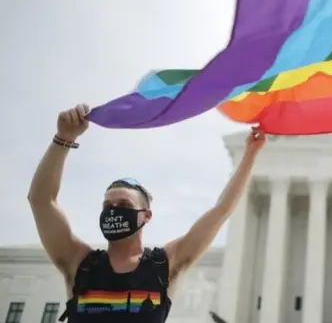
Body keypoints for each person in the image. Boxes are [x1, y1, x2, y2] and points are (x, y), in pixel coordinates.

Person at [27, 104, 265, 323]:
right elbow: (41, 200)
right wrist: (64, 139)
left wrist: (250, 155)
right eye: (107, 206)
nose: (114, 211)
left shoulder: (164, 265)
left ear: (146, 216)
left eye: (124, 204)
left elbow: (221, 211)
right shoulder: (80, 263)